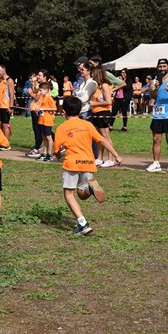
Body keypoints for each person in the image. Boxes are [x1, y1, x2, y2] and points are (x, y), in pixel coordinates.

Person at [54, 97, 122, 235]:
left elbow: (56, 151)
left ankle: (82, 223)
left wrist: (59, 155)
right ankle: (90, 189)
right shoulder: (88, 125)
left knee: (68, 194)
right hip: (88, 163)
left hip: (72, 163)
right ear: (80, 111)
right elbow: (102, 140)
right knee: (82, 194)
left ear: (64, 111)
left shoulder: (61, 128)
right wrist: (116, 155)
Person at [147, 58, 168, 172]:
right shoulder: (154, 80)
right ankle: (156, 163)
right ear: (157, 67)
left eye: (164, 66)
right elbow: (152, 95)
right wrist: (156, 87)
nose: (162, 68)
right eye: (160, 66)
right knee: (156, 139)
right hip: (158, 113)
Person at [90, 68, 116, 168]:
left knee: (106, 136)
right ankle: (100, 158)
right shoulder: (97, 87)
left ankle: (110, 159)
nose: (92, 75)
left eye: (93, 73)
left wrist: (95, 103)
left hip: (103, 113)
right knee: (98, 137)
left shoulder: (105, 86)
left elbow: (109, 101)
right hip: (95, 113)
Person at [25, 69, 50, 157]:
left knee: (41, 129)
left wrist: (31, 93)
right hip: (36, 109)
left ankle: (38, 148)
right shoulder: (39, 85)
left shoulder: (45, 87)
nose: (37, 77)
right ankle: (38, 146)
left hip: (39, 110)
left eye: (39, 75)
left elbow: (39, 98)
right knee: (40, 129)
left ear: (45, 77)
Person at [34, 83, 57, 162]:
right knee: (44, 137)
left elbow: (54, 108)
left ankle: (49, 154)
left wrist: (44, 109)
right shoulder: (42, 97)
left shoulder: (49, 98)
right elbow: (40, 106)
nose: (40, 92)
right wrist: (38, 109)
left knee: (48, 137)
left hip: (48, 120)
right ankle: (44, 153)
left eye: (41, 90)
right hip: (41, 119)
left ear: (46, 91)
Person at [0, 64, 15, 148]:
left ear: (4, 70)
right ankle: (0, 142)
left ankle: (6, 144)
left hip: (6, 106)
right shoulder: (0, 81)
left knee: (5, 125)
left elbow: (11, 94)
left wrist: (11, 106)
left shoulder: (9, 80)